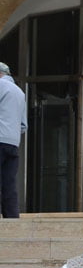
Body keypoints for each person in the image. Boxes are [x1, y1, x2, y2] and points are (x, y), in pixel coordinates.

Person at [0, 62, 27, 218]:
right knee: (9, 184)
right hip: (12, 143)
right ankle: (12, 220)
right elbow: (23, 125)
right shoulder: (19, 92)